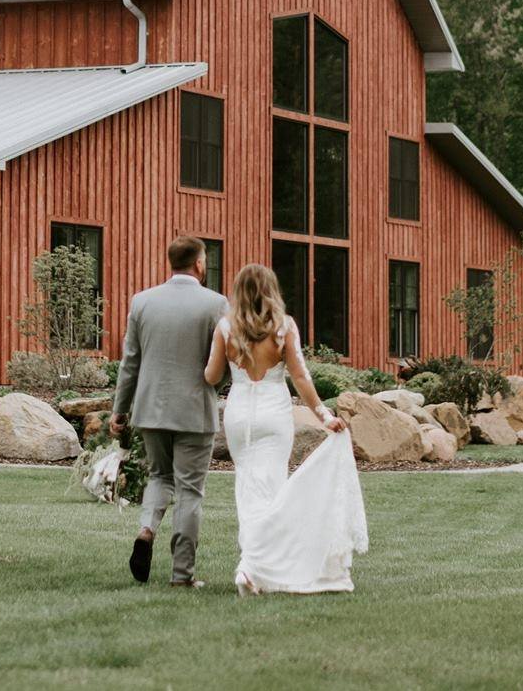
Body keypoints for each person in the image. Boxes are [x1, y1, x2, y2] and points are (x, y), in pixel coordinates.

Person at [204, 263, 368, 596]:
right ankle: (253, 566)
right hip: (273, 414)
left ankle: (253, 565)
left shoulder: (225, 327)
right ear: (270, 290)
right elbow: (301, 377)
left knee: (248, 489)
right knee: (272, 490)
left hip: (238, 416)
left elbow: (211, 376)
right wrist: (324, 415)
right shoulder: (284, 327)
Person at [109, 235, 228, 588]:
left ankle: (146, 529)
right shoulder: (217, 304)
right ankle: (182, 575)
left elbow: (130, 362)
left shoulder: (142, 302)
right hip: (194, 409)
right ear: (200, 263)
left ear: (170, 262)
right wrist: (214, 390)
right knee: (190, 491)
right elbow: (222, 363)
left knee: (160, 477)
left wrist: (120, 409)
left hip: (151, 408)